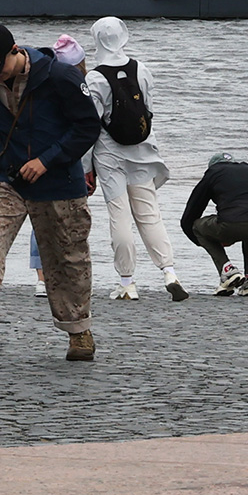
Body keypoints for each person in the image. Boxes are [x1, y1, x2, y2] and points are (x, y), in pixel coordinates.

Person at [0, 23, 103, 363]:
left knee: (67, 259)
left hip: (58, 182)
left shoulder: (60, 77)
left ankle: (79, 332)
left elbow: (87, 127)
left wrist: (47, 160)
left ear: (16, 51)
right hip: (6, 179)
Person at [84, 16, 187, 302]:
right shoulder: (141, 68)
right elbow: (149, 111)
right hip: (141, 151)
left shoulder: (94, 78)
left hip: (109, 154)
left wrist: (85, 167)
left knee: (120, 216)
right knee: (149, 214)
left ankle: (127, 282)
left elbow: (90, 125)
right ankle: (169, 271)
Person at [179, 154, 248, 296]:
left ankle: (227, 270)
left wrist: (208, 243)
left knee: (197, 226)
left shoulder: (213, 173)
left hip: (232, 224)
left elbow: (190, 216)